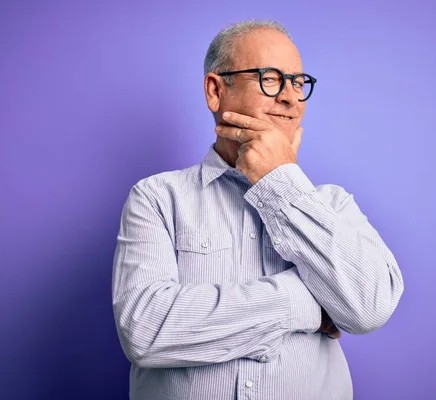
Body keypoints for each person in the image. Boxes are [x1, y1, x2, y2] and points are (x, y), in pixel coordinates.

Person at [112, 19, 404, 400]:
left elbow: (370, 307)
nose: (290, 98)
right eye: (270, 78)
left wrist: (279, 181)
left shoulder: (334, 204)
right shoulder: (156, 199)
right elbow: (146, 331)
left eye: (298, 83)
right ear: (216, 91)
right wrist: (310, 303)